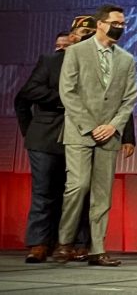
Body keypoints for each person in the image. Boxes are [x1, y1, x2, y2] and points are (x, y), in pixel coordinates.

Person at [52, 5, 137, 267]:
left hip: (109, 135)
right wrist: (91, 126)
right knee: (78, 186)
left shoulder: (126, 59)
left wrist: (113, 126)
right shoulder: (77, 52)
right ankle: (65, 241)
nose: (120, 27)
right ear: (100, 24)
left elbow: (129, 98)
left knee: (103, 193)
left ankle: (97, 248)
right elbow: (67, 91)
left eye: (123, 24)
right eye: (115, 22)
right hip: (80, 132)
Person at [15, 21, 96, 263]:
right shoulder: (51, 61)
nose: (85, 38)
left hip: (82, 135)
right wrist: (64, 101)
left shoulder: (99, 64)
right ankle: (40, 243)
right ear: (72, 38)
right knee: (44, 191)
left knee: (78, 190)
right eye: (82, 34)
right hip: (47, 135)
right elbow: (28, 94)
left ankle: (77, 243)